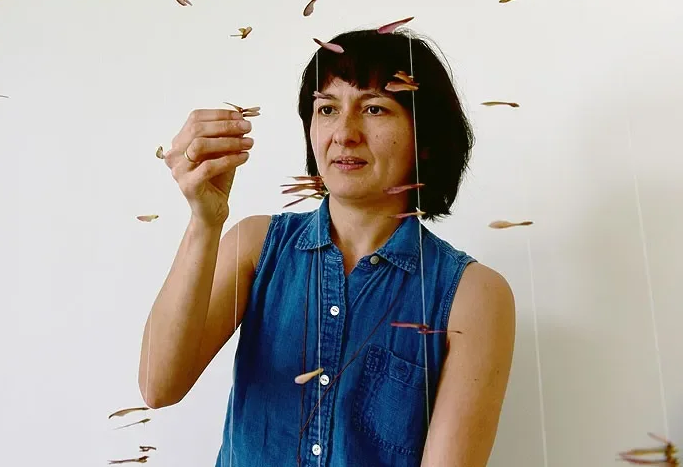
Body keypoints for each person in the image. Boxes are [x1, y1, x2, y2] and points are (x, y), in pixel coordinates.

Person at [138, 28, 517, 467]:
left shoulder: (474, 295)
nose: (344, 133)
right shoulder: (256, 245)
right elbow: (158, 385)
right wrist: (205, 221)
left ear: (425, 139)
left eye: (374, 108)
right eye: (327, 109)